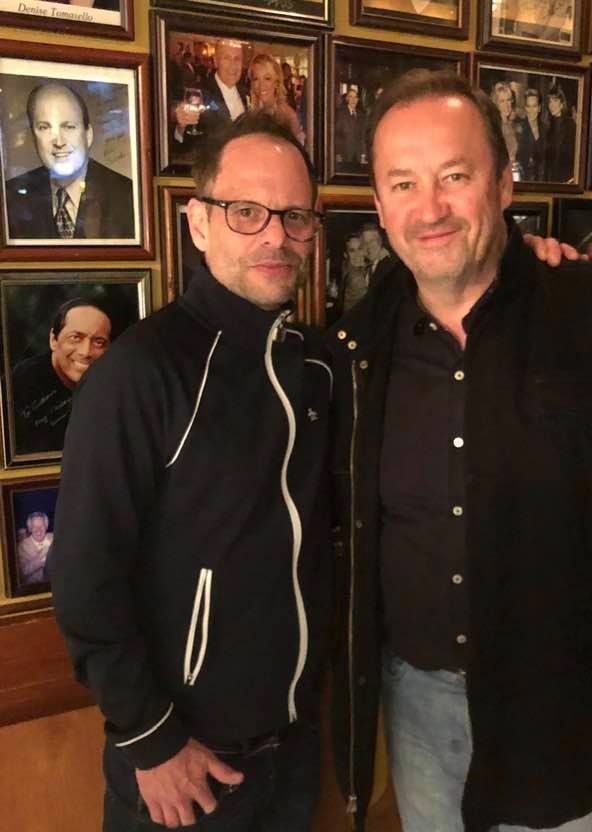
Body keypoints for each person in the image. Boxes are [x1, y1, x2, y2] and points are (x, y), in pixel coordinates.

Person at [328, 70, 592, 832]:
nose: (429, 208)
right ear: (379, 205)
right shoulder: (357, 343)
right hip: (418, 708)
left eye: (454, 176)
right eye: (403, 184)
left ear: (504, 183)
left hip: (568, 710)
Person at [50, 111, 333, 832]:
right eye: (247, 212)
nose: (275, 236)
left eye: (295, 216)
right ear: (199, 222)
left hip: (296, 754)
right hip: (183, 767)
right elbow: (83, 576)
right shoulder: (138, 373)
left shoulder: (319, 365)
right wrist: (149, 739)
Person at [4, 83, 135, 240]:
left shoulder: (128, 195)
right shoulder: (10, 198)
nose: (59, 142)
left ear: (88, 135)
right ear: (33, 137)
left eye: (69, 127)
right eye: (44, 127)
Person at [12, 299, 112, 456]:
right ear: (53, 340)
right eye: (75, 338)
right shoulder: (21, 385)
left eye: (99, 342)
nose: (85, 352)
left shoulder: (113, 385)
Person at [173, 39, 248, 152]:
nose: (233, 65)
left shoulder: (246, 93)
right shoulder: (199, 92)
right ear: (216, 61)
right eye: (226, 58)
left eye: (237, 59)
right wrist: (181, 127)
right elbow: (184, 145)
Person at [248, 54, 305, 145]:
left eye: (267, 78)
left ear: (276, 82)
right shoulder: (250, 113)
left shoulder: (288, 116)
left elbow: (299, 150)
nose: (261, 85)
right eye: (256, 79)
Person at [543, 83, 576, 182]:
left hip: (566, 179)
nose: (551, 105)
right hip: (551, 179)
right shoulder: (548, 125)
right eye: (550, 101)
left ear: (562, 104)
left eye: (555, 101)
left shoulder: (570, 125)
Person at [516, 88, 545, 182]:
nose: (531, 110)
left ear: (539, 108)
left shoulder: (545, 129)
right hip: (523, 180)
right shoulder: (519, 128)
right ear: (525, 108)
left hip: (542, 181)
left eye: (534, 106)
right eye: (528, 106)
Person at [18, 511, 53, 586]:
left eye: (42, 526)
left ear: (46, 526)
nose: (38, 529)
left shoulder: (54, 538)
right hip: (35, 587)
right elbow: (21, 573)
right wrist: (40, 558)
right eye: (34, 527)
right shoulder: (22, 546)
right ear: (30, 529)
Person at [335, 88, 367, 167]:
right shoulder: (340, 113)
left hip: (358, 156)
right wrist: (337, 153)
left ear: (358, 100)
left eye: (355, 97)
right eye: (351, 97)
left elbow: (363, 136)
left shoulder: (362, 115)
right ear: (347, 99)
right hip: (345, 155)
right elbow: (337, 134)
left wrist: (363, 155)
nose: (353, 100)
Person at [491, 82, 519, 169]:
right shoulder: (494, 126)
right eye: (502, 101)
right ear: (496, 103)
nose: (507, 105)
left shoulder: (512, 125)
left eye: (508, 100)